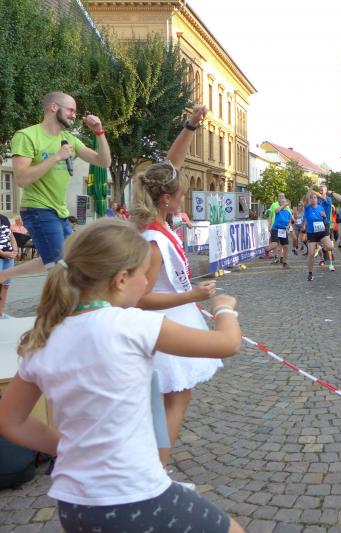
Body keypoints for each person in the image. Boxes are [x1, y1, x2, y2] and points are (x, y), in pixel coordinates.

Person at [0, 219, 244, 533]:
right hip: (134, 496)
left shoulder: (44, 338)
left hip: (74, 504)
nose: (147, 284)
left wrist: (66, 446)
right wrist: (225, 309)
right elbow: (227, 343)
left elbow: (10, 421)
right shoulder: (131, 325)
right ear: (121, 279)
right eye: (145, 275)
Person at [133, 105, 224, 474]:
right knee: (174, 399)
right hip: (163, 322)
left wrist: (190, 127)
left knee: (171, 398)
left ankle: (153, 465)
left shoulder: (157, 224)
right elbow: (141, 298)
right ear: (165, 199)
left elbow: (170, 166)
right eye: (181, 195)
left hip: (171, 318)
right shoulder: (154, 240)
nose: (184, 199)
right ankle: (156, 471)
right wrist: (193, 295)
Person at [0, 92, 111, 284]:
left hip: (60, 212)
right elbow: (22, 179)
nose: (74, 115)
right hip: (38, 209)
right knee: (61, 268)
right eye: (71, 110)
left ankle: (3, 275)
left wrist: (99, 132)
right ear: (54, 107)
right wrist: (57, 157)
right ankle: (62, 302)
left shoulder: (69, 139)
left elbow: (104, 162)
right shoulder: (27, 136)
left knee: (70, 258)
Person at [303, 189, 334, 281]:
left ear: (317, 199)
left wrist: (324, 216)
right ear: (310, 199)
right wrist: (310, 189)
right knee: (311, 254)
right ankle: (310, 273)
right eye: (312, 198)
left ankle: (321, 247)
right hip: (312, 233)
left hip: (321, 231)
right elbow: (305, 200)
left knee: (330, 247)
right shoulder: (307, 207)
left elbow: (325, 220)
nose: (313, 199)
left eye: (315, 198)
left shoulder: (321, 207)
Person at [308, 185, 336, 271]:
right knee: (317, 243)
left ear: (326, 191)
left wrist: (312, 190)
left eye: (322, 190)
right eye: (319, 190)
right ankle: (322, 259)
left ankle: (331, 264)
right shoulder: (316, 199)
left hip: (325, 224)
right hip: (315, 224)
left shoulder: (328, 199)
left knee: (328, 245)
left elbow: (322, 198)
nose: (320, 191)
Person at [0, 213, 19, 318]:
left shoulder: (3, 218)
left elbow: (11, 236)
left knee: (5, 286)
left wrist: (15, 250)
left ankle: (0, 313)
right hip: (2, 255)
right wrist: (2, 253)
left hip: (8, 257)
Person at [268, 197, 292, 269]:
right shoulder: (278, 210)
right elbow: (276, 211)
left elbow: (289, 221)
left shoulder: (288, 212)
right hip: (276, 229)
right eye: (282, 202)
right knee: (275, 244)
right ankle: (266, 250)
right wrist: (284, 205)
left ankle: (285, 263)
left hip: (283, 230)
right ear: (280, 204)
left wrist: (288, 226)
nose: (284, 203)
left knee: (286, 246)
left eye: (285, 202)